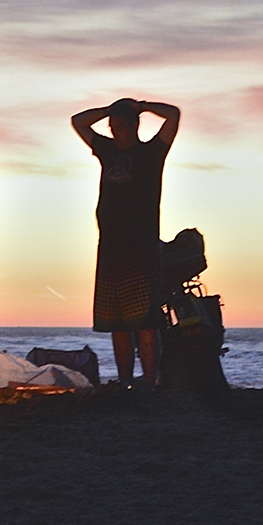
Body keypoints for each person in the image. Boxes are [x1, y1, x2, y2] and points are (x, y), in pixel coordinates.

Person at [70, 97, 180, 388]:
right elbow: (78, 121)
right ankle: (125, 380)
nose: (115, 131)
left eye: (120, 126)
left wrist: (141, 105)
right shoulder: (106, 150)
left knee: (144, 321)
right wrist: (108, 110)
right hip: (109, 246)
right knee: (116, 323)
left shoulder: (151, 153)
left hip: (140, 246)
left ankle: (150, 379)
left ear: (134, 126)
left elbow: (173, 116)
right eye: (112, 126)